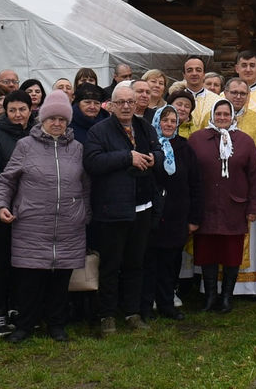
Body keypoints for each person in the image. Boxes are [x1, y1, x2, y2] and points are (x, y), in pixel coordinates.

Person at [0, 90, 89, 342]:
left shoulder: (77, 148)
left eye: (62, 119)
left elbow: (86, 185)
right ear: (42, 120)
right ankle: (25, 325)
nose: (57, 123)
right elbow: (7, 179)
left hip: (69, 225)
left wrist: (84, 213)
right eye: (51, 119)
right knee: (30, 281)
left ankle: (57, 325)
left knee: (60, 280)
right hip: (32, 225)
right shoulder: (25, 146)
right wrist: (1, 204)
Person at [83, 82, 164, 335]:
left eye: (131, 101)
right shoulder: (99, 131)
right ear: (111, 105)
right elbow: (93, 162)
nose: (127, 106)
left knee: (135, 263)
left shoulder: (145, 127)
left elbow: (159, 151)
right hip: (113, 208)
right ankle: (107, 315)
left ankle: (132, 312)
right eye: (121, 102)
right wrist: (127, 157)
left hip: (142, 206)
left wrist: (153, 159)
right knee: (110, 264)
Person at [190, 98, 256, 312]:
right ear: (212, 116)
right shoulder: (197, 139)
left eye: (226, 114)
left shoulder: (245, 141)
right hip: (206, 207)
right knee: (206, 252)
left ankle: (226, 297)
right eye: (218, 114)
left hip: (235, 207)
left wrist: (254, 207)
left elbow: (255, 176)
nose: (222, 118)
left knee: (232, 254)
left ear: (232, 117)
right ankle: (210, 296)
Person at [140, 104, 201, 321]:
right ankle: (146, 306)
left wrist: (194, 218)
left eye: (172, 121)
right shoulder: (147, 145)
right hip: (152, 215)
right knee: (149, 263)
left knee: (171, 262)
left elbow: (195, 184)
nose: (168, 124)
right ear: (157, 121)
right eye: (164, 119)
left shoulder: (184, 148)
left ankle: (167, 304)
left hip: (177, 215)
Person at [0, 89, 33, 336]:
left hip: (29, 210)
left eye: (22, 109)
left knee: (22, 262)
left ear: (30, 110)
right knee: (0, 261)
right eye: (13, 110)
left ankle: (16, 307)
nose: (18, 114)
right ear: (6, 111)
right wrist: (10, 197)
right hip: (0, 207)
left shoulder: (36, 135)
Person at [221, 76, 256, 296]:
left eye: (243, 93)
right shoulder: (213, 117)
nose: (238, 97)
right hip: (220, 190)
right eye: (234, 93)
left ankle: (249, 286)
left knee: (248, 235)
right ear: (225, 94)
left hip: (246, 188)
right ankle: (219, 287)